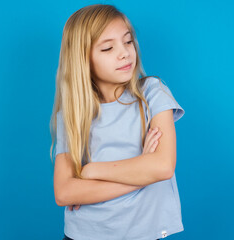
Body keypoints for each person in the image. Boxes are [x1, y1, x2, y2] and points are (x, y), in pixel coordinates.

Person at [50, 4, 185, 240]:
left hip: (143, 233)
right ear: (84, 60)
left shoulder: (152, 93)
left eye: (128, 41)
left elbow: (162, 167)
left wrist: (92, 172)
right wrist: (141, 173)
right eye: (108, 48)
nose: (124, 53)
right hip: (83, 234)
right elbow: (64, 192)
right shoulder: (72, 114)